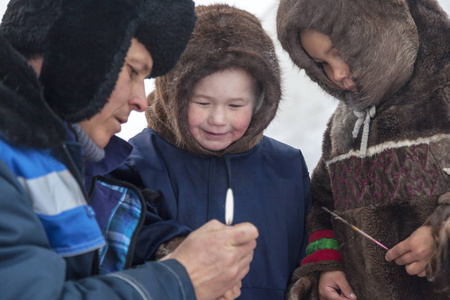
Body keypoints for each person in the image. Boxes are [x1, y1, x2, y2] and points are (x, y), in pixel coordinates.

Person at [0, 0, 258, 299]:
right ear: (74, 46)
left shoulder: (53, 161)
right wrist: (182, 278)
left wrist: (171, 250)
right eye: (134, 71)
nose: (141, 101)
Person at [113, 4, 312, 300]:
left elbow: (307, 254)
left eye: (235, 105)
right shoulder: (135, 162)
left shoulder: (288, 166)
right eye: (202, 103)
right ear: (173, 94)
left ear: (261, 102)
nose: (219, 119)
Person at [276, 0, 450, 299]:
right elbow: (322, 206)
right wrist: (328, 265)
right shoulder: (342, 129)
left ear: (381, 27)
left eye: (340, 54)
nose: (338, 74)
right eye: (322, 64)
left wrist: (442, 234)